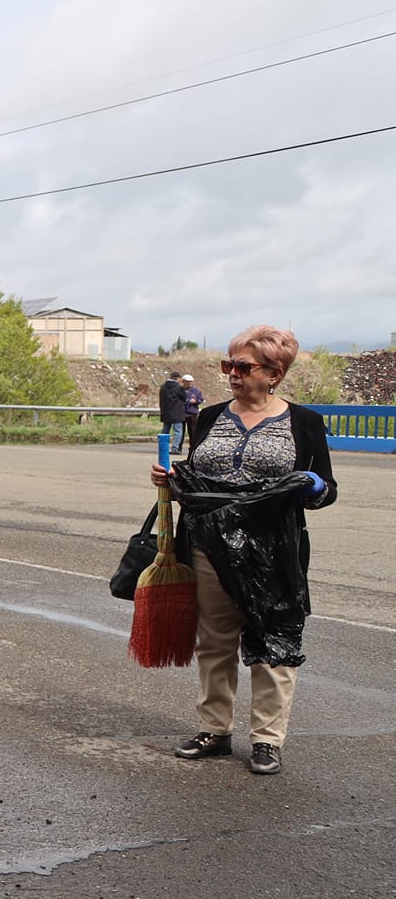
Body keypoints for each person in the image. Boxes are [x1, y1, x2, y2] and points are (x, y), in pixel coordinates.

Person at [156, 326, 336, 776]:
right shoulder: (212, 416)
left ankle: (267, 740)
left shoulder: (305, 423)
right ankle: (214, 729)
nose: (232, 374)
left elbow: (326, 489)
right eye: (227, 365)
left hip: (274, 550)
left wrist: (312, 485)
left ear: (274, 373)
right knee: (214, 641)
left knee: (274, 641)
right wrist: (173, 480)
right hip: (210, 545)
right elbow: (198, 476)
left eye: (243, 367)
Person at [159, 369, 190, 455]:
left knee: (165, 430)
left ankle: (162, 446)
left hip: (166, 412)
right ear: (178, 378)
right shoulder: (179, 388)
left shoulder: (163, 387)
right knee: (178, 431)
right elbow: (184, 398)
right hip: (177, 412)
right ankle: (175, 448)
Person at [180, 374, 204, 452]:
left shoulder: (196, 390)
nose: (189, 383)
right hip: (182, 413)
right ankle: (179, 446)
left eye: (190, 382)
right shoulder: (180, 390)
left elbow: (201, 399)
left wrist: (196, 401)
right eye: (187, 382)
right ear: (183, 382)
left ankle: (193, 447)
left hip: (192, 413)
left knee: (193, 431)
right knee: (180, 432)